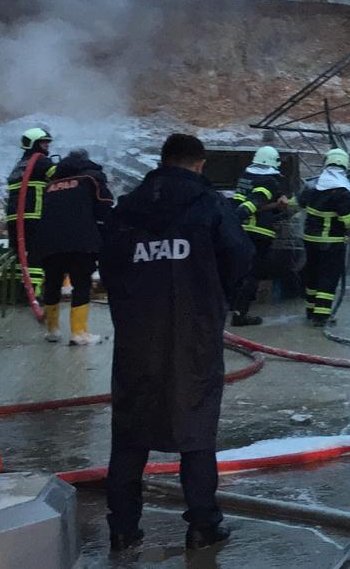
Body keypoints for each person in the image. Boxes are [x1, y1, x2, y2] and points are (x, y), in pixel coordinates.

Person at [100, 133, 253, 553]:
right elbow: (240, 258)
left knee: (130, 430)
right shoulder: (211, 206)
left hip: (137, 336)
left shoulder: (126, 209)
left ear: (162, 160)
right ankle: (203, 524)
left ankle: (123, 528)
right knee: (196, 428)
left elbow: (108, 267)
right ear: (199, 164)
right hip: (194, 336)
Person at [38, 149, 114, 344]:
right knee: (81, 284)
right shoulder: (91, 179)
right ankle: (79, 333)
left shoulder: (51, 185)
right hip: (81, 242)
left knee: (52, 283)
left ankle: (52, 330)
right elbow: (105, 205)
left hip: (49, 242)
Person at [227, 146, 291, 326]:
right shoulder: (270, 181)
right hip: (259, 233)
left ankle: (233, 307)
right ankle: (240, 315)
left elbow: (238, 202)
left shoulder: (246, 177)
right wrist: (278, 207)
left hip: (240, 231)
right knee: (253, 274)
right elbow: (254, 203)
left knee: (239, 271)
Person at [296, 149, 350, 326]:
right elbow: (347, 219)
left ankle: (310, 311)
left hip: (310, 240)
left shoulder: (313, 184)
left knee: (313, 274)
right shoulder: (341, 190)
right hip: (331, 242)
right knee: (328, 278)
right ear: (344, 165)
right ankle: (321, 316)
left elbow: (299, 202)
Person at [5, 126, 56, 302]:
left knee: (21, 254)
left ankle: (19, 292)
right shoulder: (41, 161)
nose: (47, 147)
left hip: (15, 218)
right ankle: (33, 294)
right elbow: (59, 176)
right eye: (43, 143)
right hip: (33, 215)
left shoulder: (19, 165)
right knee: (37, 254)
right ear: (34, 144)